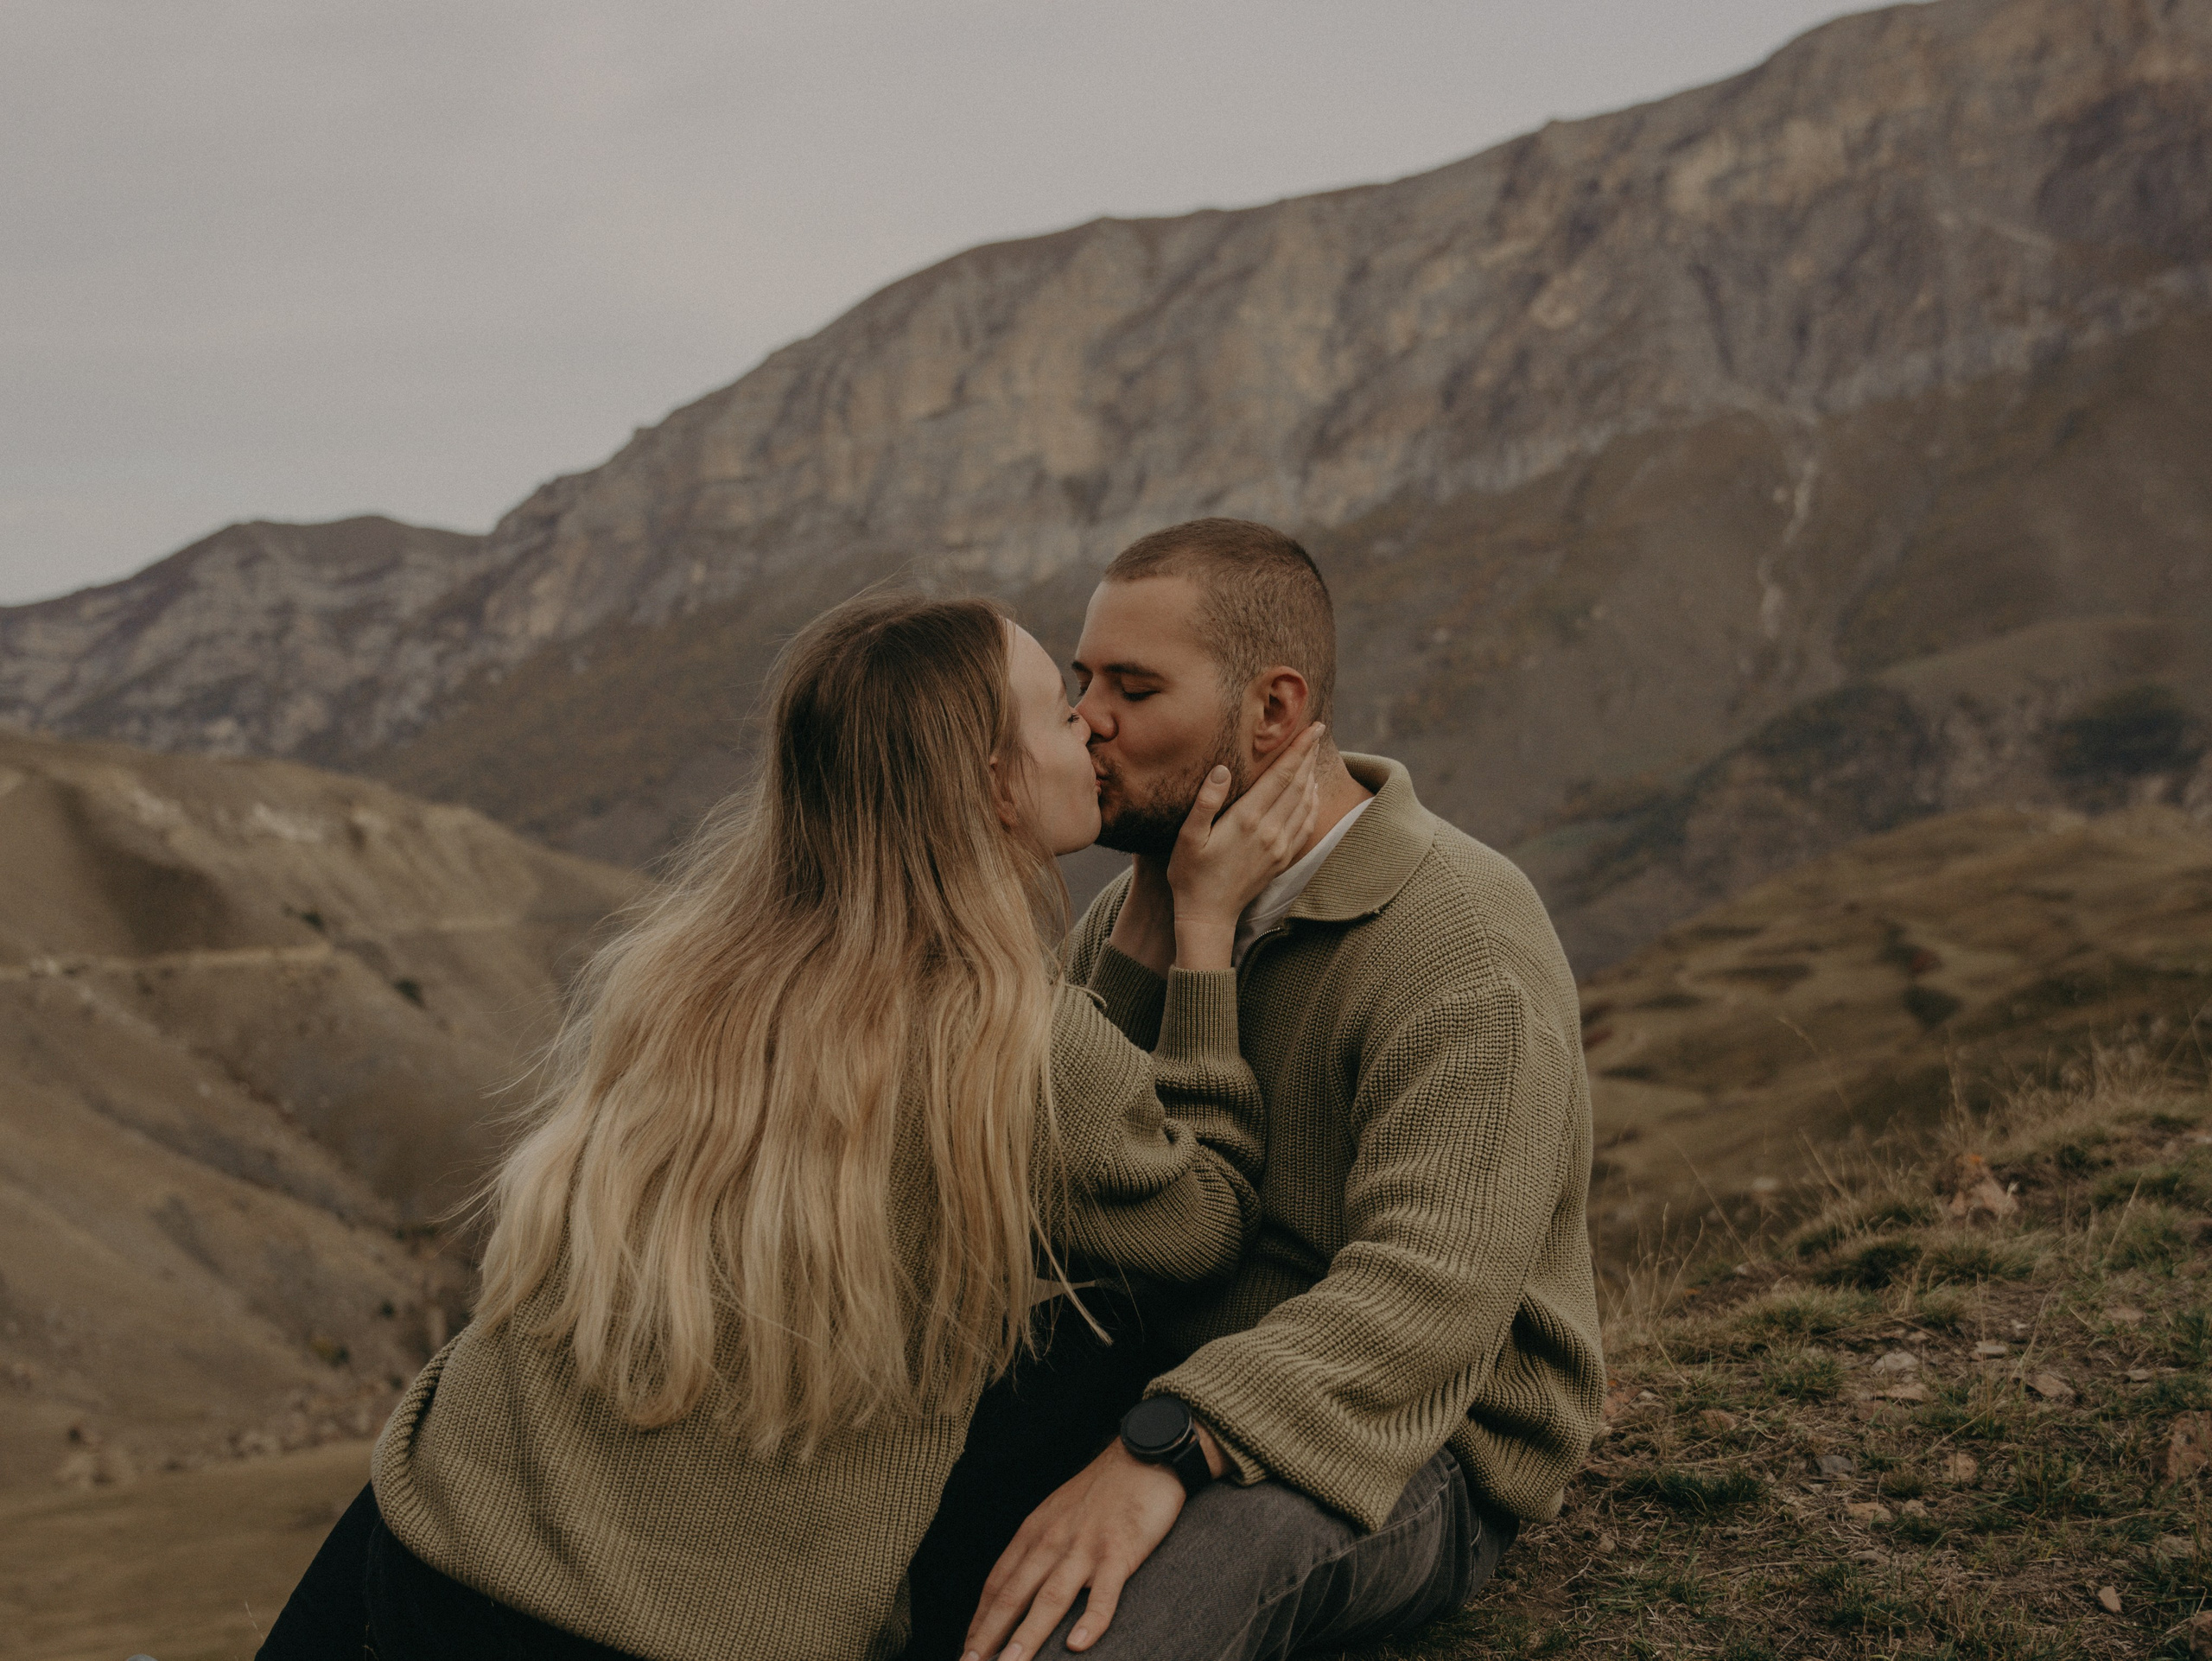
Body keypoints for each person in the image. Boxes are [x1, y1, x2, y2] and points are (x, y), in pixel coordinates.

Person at [255, 591, 1329, 1661]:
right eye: (1059, 709)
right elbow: (1201, 1224)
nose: (1092, 725)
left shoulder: (685, 965)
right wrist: (1201, 930)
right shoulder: (1008, 1036)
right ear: (993, 782)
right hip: (657, 1637)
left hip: (427, 1541)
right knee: (1108, 1340)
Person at [944, 519, 1605, 1661]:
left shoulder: (1462, 936)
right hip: (1163, 1371)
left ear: (1273, 710)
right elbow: (1079, 1176)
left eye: (1134, 687)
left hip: (1417, 1437)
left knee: (1108, 1623)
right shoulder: (1137, 902)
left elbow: (1425, 1298)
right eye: (1084, 677)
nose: (1087, 717)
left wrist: (1165, 1446)